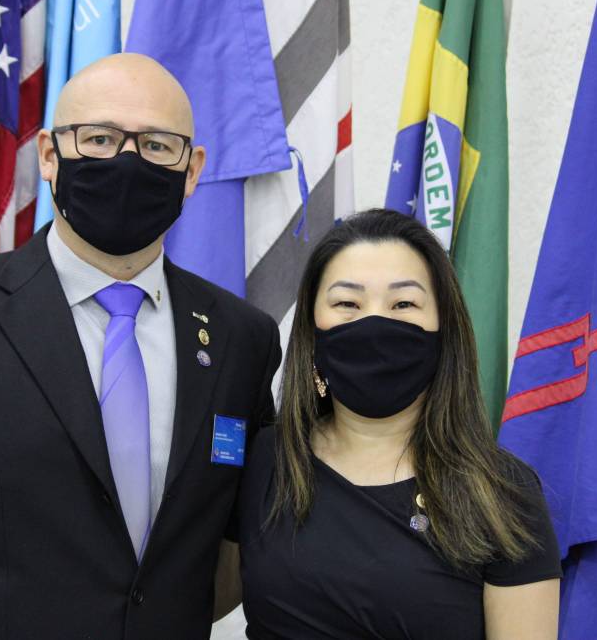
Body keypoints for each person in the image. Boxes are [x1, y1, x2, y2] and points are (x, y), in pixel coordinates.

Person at [0, 53, 281, 639]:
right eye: (100, 138)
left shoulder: (242, 339)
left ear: (192, 170)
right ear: (48, 154)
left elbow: (240, 540)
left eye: (157, 145)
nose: (127, 161)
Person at [232, 209, 561, 639]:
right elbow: (199, 595)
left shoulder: (502, 491)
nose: (375, 323)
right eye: (347, 304)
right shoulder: (262, 460)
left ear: (444, 329)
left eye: (403, 304)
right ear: (312, 330)